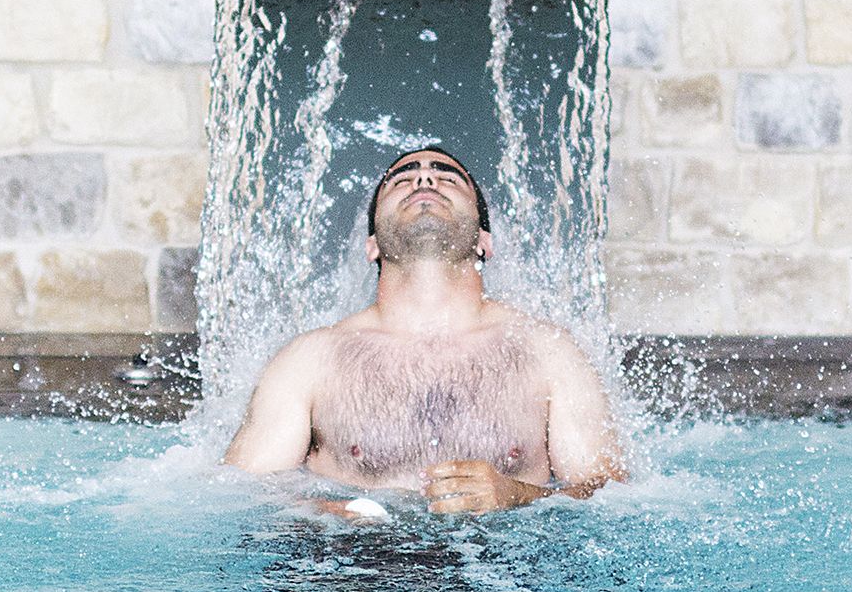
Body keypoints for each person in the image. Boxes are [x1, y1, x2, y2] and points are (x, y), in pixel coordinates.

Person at [225, 145, 623, 514]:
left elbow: (609, 492)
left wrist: (517, 495)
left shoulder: (547, 349)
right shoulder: (310, 359)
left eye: (448, 177)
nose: (425, 180)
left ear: (485, 241)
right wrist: (327, 513)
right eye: (401, 180)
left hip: (502, 579)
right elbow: (239, 495)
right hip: (353, 576)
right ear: (372, 246)